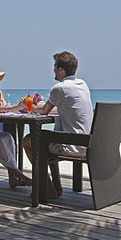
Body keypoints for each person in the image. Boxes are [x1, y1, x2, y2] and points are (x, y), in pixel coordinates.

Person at [23, 51, 93, 198]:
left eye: (55, 66)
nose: (53, 69)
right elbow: (66, 107)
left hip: (72, 146)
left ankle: (47, 187)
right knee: (47, 141)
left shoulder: (60, 88)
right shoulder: (82, 85)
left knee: (29, 141)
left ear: (61, 70)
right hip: (89, 144)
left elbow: (43, 111)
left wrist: (26, 106)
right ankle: (56, 188)